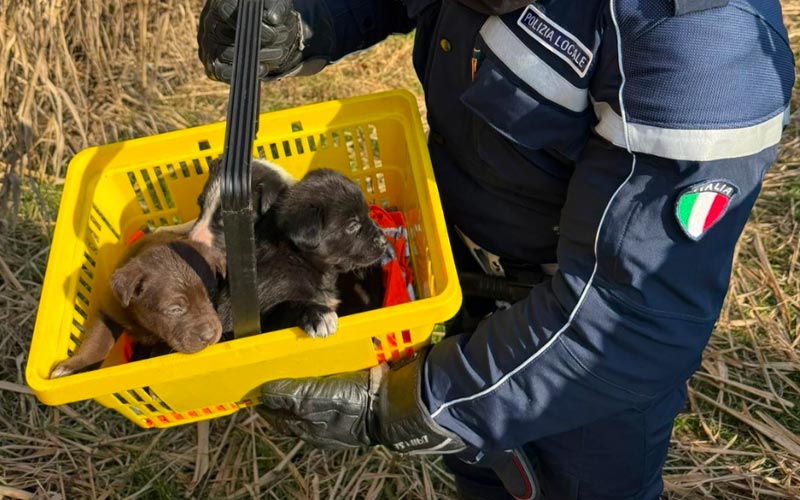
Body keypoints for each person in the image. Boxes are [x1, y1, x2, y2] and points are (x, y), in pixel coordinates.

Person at [197, 0, 795, 498]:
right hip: (459, 281)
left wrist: (418, 402)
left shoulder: (703, 44)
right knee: (483, 476)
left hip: (575, 360)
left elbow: (631, 316)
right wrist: (305, 20)